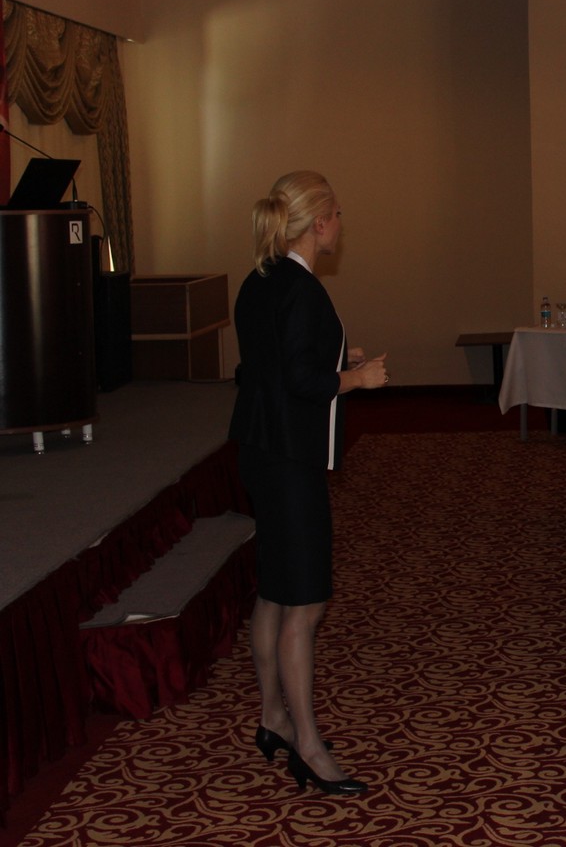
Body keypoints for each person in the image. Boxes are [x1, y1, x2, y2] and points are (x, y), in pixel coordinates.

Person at [228, 170, 388, 796]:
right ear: (318, 223)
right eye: (337, 213)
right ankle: (308, 746)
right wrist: (357, 380)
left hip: (260, 449)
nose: (342, 223)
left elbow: (266, 366)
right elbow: (297, 380)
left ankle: (273, 715)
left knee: (274, 591)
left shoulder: (259, 278)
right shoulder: (301, 288)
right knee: (306, 603)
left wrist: (338, 361)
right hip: (290, 459)